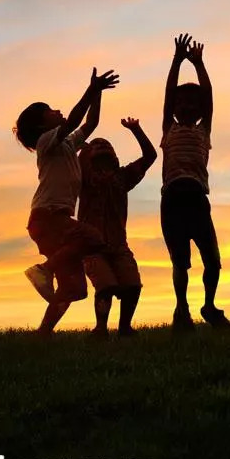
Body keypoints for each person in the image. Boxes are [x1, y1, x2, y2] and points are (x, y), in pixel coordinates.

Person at [13, 67, 119, 334]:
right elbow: (73, 120)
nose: (57, 110)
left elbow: (90, 124)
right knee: (93, 237)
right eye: (50, 111)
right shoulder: (45, 142)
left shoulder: (68, 144)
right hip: (48, 217)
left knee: (74, 288)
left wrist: (98, 93)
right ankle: (44, 269)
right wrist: (91, 90)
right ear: (41, 125)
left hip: (53, 221)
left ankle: (43, 334)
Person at [161, 33, 229, 331]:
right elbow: (167, 94)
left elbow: (209, 96)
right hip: (172, 199)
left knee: (212, 260)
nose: (187, 106)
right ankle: (181, 309)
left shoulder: (204, 130)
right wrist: (177, 61)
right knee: (180, 261)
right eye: (182, 102)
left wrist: (199, 64)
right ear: (175, 109)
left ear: (200, 110)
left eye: (193, 102)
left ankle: (209, 305)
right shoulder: (169, 128)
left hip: (198, 198)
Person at [78, 117, 157, 338]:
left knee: (133, 285)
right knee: (105, 287)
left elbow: (150, 156)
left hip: (119, 245)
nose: (102, 146)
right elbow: (77, 162)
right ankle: (101, 328)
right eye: (97, 145)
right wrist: (84, 146)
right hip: (92, 247)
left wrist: (136, 129)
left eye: (106, 145)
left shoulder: (122, 177)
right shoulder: (85, 178)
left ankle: (125, 328)